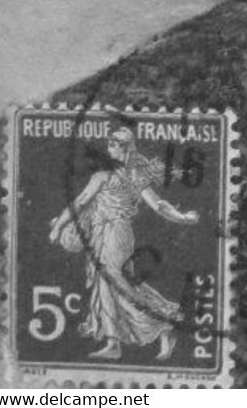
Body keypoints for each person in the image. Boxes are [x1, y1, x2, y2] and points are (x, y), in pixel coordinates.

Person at [48, 125, 199, 360]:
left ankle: (158, 322)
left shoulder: (106, 177)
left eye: (115, 143)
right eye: (110, 143)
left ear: (126, 149)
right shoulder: (132, 177)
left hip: (114, 235)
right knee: (114, 284)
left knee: (113, 283)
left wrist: (58, 227)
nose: (110, 147)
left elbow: (80, 203)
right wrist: (182, 217)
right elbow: (158, 206)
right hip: (111, 234)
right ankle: (132, 337)